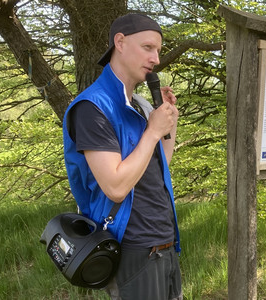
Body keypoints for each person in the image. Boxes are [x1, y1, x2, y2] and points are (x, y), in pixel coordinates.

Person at [62, 13, 182, 300]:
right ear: (121, 42)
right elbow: (115, 187)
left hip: (164, 241)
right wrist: (152, 132)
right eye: (148, 47)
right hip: (133, 248)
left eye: (158, 51)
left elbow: (160, 164)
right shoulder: (93, 107)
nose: (156, 59)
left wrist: (169, 121)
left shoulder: (138, 104)